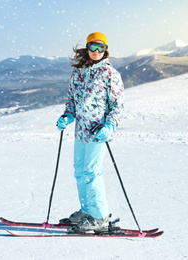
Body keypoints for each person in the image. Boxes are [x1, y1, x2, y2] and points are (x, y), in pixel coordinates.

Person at [56, 32, 125, 233]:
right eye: (93, 47)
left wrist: (109, 126)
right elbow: (72, 101)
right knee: (80, 171)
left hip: (98, 132)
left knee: (92, 172)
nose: (96, 51)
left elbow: (118, 105)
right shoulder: (78, 73)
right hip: (80, 132)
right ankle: (87, 210)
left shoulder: (110, 74)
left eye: (100, 48)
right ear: (87, 48)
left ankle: (100, 216)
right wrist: (67, 116)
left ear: (106, 50)